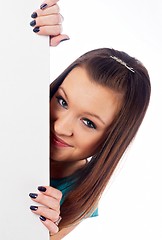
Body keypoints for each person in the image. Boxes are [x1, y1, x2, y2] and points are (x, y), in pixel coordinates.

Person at [29, 1, 151, 239]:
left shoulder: (80, 199)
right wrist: (23, 33)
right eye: (62, 101)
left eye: (89, 123)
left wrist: (30, 231)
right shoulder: (14, 121)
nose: (60, 127)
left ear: (113, 138)